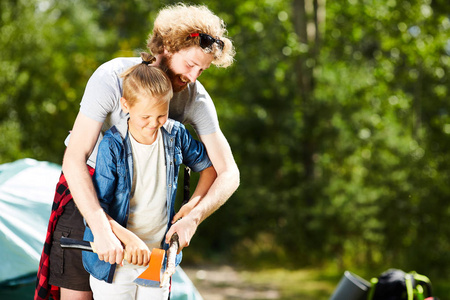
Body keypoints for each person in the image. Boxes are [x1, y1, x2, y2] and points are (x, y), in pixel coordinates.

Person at [35, 3, 239, 300]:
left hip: (149, 217)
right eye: (190, 64)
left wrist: (194, 215)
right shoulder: (112, 78)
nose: (194, 76)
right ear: (169, 46)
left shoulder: (195, 97)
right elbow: (74, 157)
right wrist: (101, 228)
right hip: (88, 197)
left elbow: (229, 172)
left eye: (202, 69)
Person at [82, 54, 216, 300]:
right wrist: (128, 239)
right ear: (125, 105)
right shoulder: (112, 145)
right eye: (145, 117)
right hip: (117, 260)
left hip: (158, 258)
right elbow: (97, 208)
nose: (153, 124)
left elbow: (210, 168)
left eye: (161, 115)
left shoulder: (175, 134)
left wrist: (193, 206)